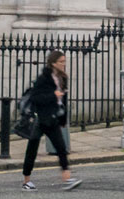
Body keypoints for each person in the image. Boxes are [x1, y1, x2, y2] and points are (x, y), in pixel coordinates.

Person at [20, 50, 81, 191]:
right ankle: (26, 180)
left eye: (64, 61)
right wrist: (53, 95)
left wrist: (63, 119)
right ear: (53, 63)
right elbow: (36, 98)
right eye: (61, 61)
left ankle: (67, 178)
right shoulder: (43, 78)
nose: (64, 64)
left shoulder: (62, 78)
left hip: (53, 118)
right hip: (42, 118)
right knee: (33, 149)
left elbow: (63, 101)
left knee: (60, 148)